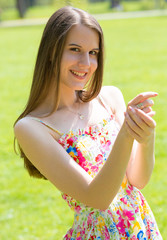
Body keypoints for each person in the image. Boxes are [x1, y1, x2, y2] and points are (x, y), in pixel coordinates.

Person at [14, 6, 162, 239]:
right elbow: (98, 198)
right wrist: (126, 134)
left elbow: (138, 180)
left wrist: (145, 137)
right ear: (52, 51)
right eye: (75, 50)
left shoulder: (110, 98)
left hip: (141, 229)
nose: (86, 63)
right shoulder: (31, 127)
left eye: (93, 52)